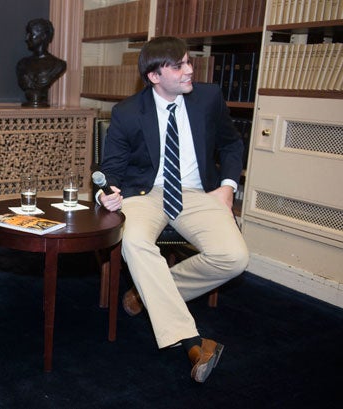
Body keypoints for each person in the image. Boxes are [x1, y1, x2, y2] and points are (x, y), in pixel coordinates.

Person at [97, 36, 249, 383]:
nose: (189, 70)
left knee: (235, 257)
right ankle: (193, 342)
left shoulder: (208, 98)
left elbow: (231, 143)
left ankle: (146, 292)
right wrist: (107, 193)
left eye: (189, 61)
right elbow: (111, 171)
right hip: (144, 193)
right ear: (154, 75)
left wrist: (227, 188)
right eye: (179, 65)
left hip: (198, 193)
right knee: (134, 242)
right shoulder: (128, 112)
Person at [16, 18, 66, 107]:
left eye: (31, 34)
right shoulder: (22, 64)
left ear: (43, 36)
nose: (26, 38)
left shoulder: (58, 65)